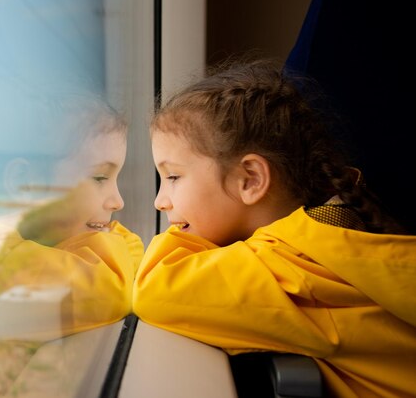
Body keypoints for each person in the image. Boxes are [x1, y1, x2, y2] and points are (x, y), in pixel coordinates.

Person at [132, 59, 416, 398]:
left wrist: (179, 232)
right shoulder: (334, 235)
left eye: (173, 177)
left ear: (250, 179)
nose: (160, 201)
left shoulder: (295, 271)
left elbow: (157, 289)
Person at [0, 93, 143, 340]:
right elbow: (111, 288)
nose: (118, 201)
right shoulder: (4, 264)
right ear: (27, 183)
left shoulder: (116, 241)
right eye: (99, 178)